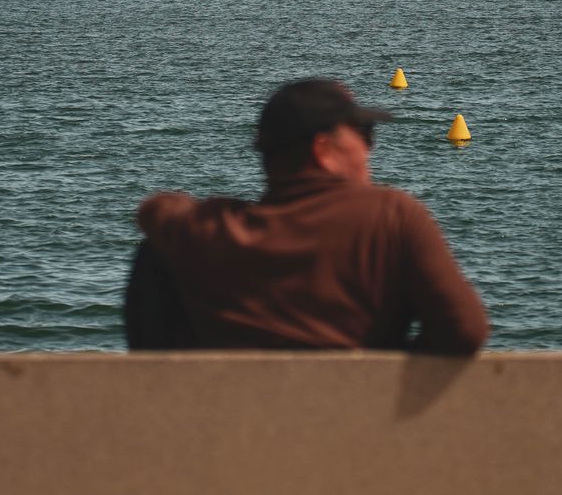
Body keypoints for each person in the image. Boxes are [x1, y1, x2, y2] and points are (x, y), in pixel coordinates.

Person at [124, 78, 488, 354]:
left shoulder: (212, 229)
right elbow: (465, 330)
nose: (369, 150)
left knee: (154, 253)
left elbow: (156, 208)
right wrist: (386, 360)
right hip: (357, 412)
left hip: (236, 417)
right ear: (322, 150)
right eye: (363, 135)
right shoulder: (392, 216)